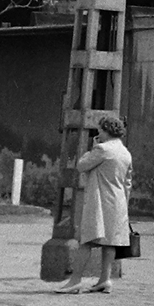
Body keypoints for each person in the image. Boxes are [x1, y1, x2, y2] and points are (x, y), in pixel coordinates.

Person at [58, 113, 131, 295]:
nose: (98, 134)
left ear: (106, 131)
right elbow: (128, 182)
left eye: (100, 130)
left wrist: (92, 147)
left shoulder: (102, 149)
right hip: (118, 202)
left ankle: (75, 281)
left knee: (87, 241)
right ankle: (105, 279)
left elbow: (82, 165)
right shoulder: (125, 153)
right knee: (110, 242)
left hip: (100, 201)